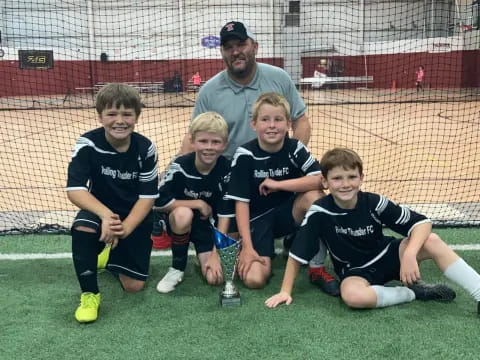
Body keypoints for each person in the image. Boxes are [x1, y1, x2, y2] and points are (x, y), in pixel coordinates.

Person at [177, 20, 338, 295]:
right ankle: (235, 247)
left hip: (278, 179)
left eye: (241, 44)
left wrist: (286, 160)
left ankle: (312, 259)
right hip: (234, 184)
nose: (235, 51)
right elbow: (193, 137)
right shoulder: (210, 91)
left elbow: (301, 121)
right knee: (226, 275)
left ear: (254, 46)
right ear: (222, 53)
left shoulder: (278, 78)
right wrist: (175, 177)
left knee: (315, 199)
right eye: (229, 47)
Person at [265, 148, 480, 317]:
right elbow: (297, 255)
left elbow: (422, 223)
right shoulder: (320, 210)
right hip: (355, 270)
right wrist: (285, 291)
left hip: (387, 255)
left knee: (431, 240)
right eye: (337, 178)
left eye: (351, 177)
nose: (345, 184)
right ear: (325, 182)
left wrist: (409, 254)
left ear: (361, 178)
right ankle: (414, 292)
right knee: (353, 296)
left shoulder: (374, 202)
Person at [66, 83, 159, 323]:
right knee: (83, 227)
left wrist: (126, 227)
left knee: (134, 286)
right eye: (112, 114)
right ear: (100, 116)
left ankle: (109, 255)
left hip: (133, 215)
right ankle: (89, 294)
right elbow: (75, 190)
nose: (120, 120)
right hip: (99, 210)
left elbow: (148, 196)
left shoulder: (146, 148)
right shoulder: (88, 144)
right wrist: (107, 216)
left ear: (137, 116)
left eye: (127, 114)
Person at [224, 92, 329, 290]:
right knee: (254, 279)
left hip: (287, 214)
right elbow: (241, 203)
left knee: (315, 199)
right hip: (257, 220)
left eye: (278, 119)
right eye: (265, 119)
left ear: (288, 123)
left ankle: (316, 266)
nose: (272, 125)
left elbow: (320, 180)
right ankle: (261, 251)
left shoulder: (295, 148)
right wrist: (247, 247)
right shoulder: (245, 155)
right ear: (254, 124)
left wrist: (279, 184)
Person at [155, 112, 234, 293]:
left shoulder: (227, 170)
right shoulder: (180, 165)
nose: (209, 147)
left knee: (215, 278)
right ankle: (177, 268)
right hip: (178, 222)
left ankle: (203, 255)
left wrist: (216, 254)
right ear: (192, 141)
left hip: (207, 228)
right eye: (203, 141)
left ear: (225, 144)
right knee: (183, 213)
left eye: (215, 142)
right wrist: (197, 203)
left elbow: (226, 213)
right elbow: (157, 200)